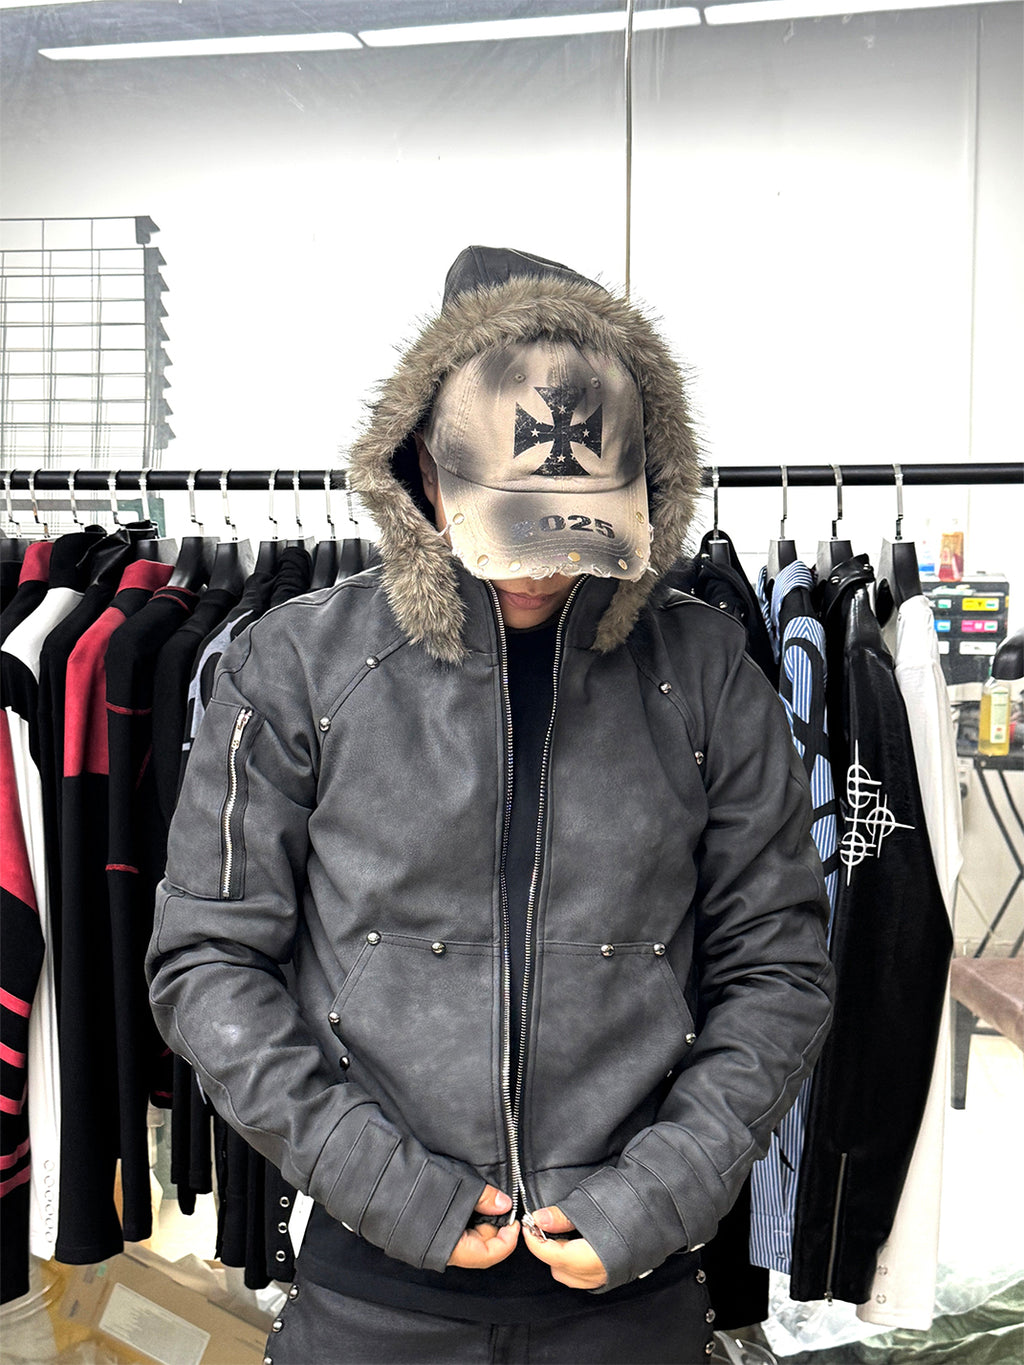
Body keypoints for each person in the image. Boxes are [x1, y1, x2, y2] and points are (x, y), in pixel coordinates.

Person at [147, 245, 834, 1364]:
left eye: (574, 520)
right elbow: (206, 962)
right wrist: (382, 1181)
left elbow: (780, 969)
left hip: (633, 1297)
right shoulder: (297, 666)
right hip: (371, 1297)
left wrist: (661, 1190)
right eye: (508, 516)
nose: (537, 567)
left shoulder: (707, 675)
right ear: (422, 469)